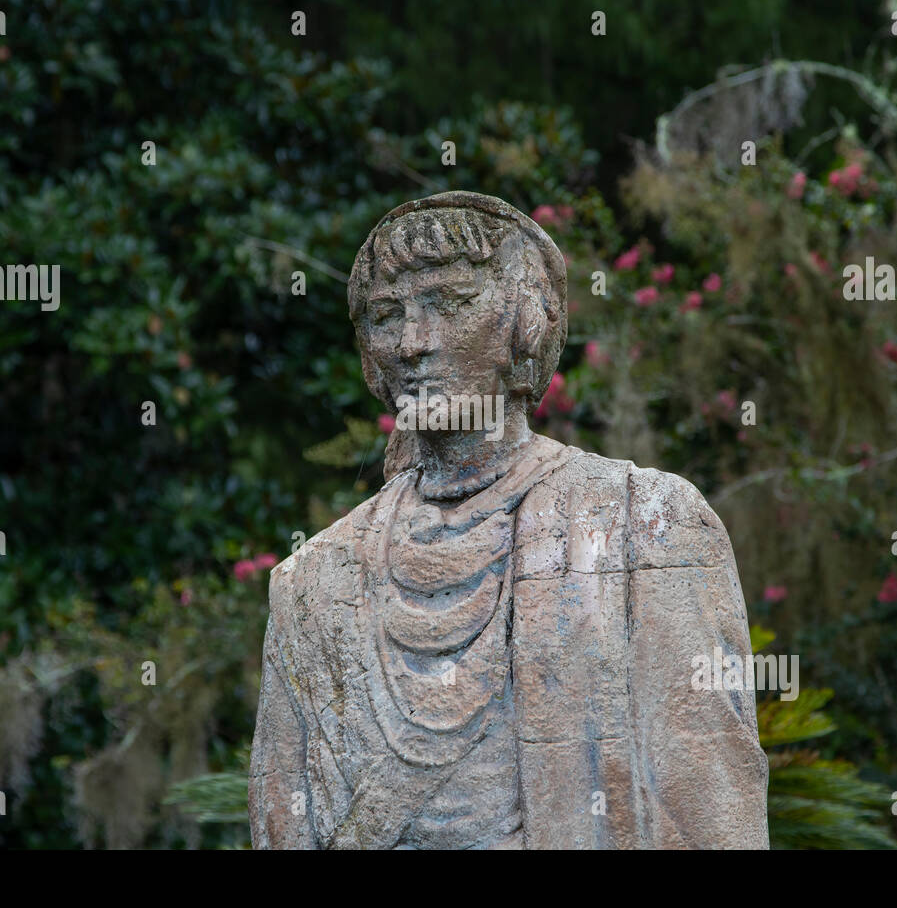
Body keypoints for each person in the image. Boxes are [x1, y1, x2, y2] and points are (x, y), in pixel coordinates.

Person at [249, 191, 769, 849]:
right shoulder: (313, 583)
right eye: (386, 316)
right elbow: (282, 826)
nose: (412, 343)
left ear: (527, 320)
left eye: (450, 303)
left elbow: (715, 805)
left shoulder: (647, 523)